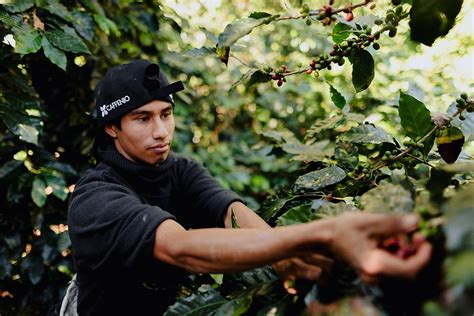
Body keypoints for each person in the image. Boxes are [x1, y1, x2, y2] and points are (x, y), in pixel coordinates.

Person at [67, 59, 432, 315]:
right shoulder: (96, 197)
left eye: (166, 114)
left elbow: (231, 214)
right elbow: (180, 249)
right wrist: (322, 232)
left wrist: (288, 261)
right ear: (111, 128)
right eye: (142, 119)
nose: (161, 132)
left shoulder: (179, 170)